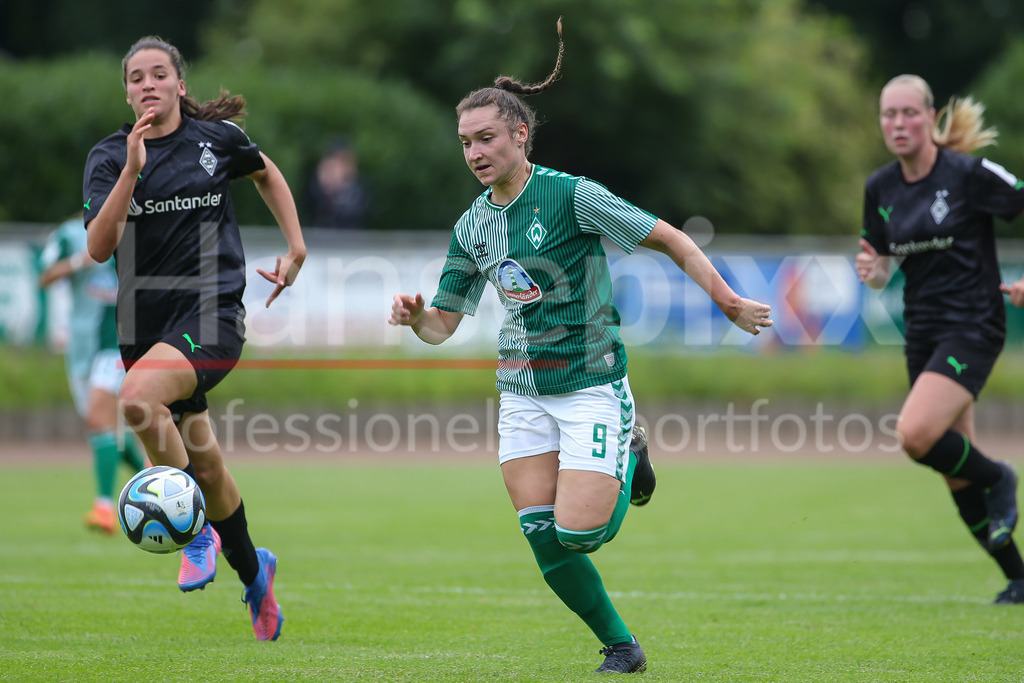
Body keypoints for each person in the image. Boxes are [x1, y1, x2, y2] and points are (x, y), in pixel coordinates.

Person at [389, 20, 772, 674]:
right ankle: (621, 645)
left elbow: (672, 238)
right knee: (543, 536)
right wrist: (418, 317)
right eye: (465, 143)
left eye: (486, 138)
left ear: (519, 134)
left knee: (582, 532)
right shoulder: (472, 225)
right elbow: (445, 325)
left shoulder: (573, 195)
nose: (475, 152)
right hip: (522, 393)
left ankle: (631, 449)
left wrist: (727, 299)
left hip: (592, 382)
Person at [83, 36, 306, 640]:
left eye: (160, 74)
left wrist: (295, 245)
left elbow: (266, 173)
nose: (148, 84)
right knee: (204, 464)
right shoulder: (108, 158)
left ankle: (195, 531)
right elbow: (100, 248)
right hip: (145, 331)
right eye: (136, 78)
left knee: (135, 400)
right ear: (127, 92)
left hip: (213, 317)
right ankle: (256, 574)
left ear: (180, 85)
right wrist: (132, 170)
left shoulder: (216, 142)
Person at [857, 74, 1024, 604]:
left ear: (930, 117)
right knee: (954, 468)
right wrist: (873, 270)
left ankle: (1001, 477)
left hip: (974, 322)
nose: (898, 123)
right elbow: (881, 267)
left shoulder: (968, 174)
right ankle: (1019, 577)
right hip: (922, 331)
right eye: (889, 114)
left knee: (915, 435)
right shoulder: (879, 188)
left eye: (909, 113)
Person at [39, 214, 147, 534]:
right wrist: (79, 261)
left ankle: (103, 507)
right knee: (104, 431)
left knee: (99, 421)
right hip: (81, 348)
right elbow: (43, 277)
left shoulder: (136, 230)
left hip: (116, 345)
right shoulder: (69, 234)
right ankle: (158, 479)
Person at [306, 139, 369, 229]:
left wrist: (339, 187)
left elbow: (355, 212)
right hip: (321, 236)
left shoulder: (358, 186)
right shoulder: (315, 185)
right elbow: (310, 208)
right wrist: (325, 188)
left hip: (350, 237)